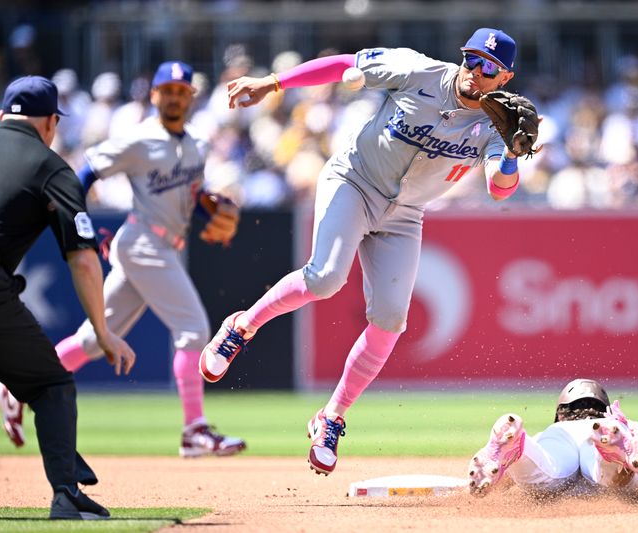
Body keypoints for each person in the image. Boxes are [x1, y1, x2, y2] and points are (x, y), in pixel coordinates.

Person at [200, 28, 529, 475]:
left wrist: (511, 154)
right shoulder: (418, 70)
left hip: (406, 213)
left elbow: (499, 189)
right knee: (325, 278)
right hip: (355, 181)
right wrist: (273, 84)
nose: (475, 71)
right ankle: (243, 325)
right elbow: (343, 65)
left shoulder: (498, 122)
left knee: (391, 320)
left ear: (505, 77)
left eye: (488, 67)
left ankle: (331, 417)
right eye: (471, 59)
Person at [0, 61, 246, 458]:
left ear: (191, 97)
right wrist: (81, 224)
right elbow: (85, 175)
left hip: (159, 245)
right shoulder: (138, 140)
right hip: (143, 242)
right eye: (169, 90)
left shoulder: (197, 143)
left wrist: (208, 212)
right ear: (155, 95)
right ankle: (194, 429)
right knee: (194, 329)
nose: (176, 96)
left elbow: (190, 197)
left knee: (94, 339)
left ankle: (12, 387)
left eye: (183, 90)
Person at [0, 76, 136, 519]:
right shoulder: (51, 166)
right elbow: (82, 260)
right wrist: (102, 332)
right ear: (50, 123)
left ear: (2, 115)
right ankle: (66, 494)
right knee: (51, 385)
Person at [467, 378, 638, 497]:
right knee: (603, 471)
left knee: (542, 471)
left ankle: (518, 447)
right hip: (604, 433)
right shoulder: (629, 428)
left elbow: (502, 482)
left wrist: (474, 487)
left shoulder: (552, 431)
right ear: (605, 408)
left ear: (560, 413)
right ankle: (614, 457)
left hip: (560, 435)